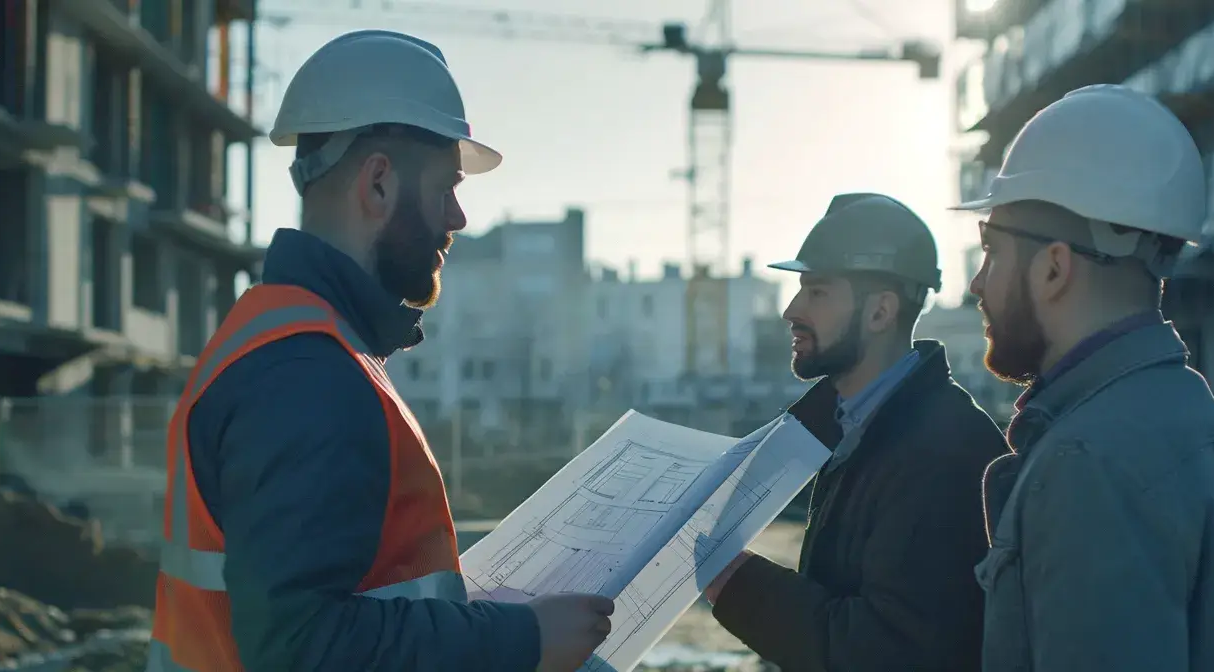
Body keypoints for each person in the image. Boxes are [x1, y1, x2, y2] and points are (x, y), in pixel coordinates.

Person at [144, 30, 613, 672]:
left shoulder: (296, 342)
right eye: (446, 187)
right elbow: (301, 648)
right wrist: (519, 640)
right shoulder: (308, 376)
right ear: (379, 184)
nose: (458, 217)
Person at [952, 84, 1214, 671]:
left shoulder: (1086, 460)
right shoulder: (1199, 419)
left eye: (992, 251)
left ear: (1054, 267)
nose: (977, 284)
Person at [703, 193, 1010, 670]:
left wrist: (733, 581)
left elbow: (888, 653)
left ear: (880, 312)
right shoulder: (856, 428)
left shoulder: (944, 452)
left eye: (818, 292)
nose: (792, 310)